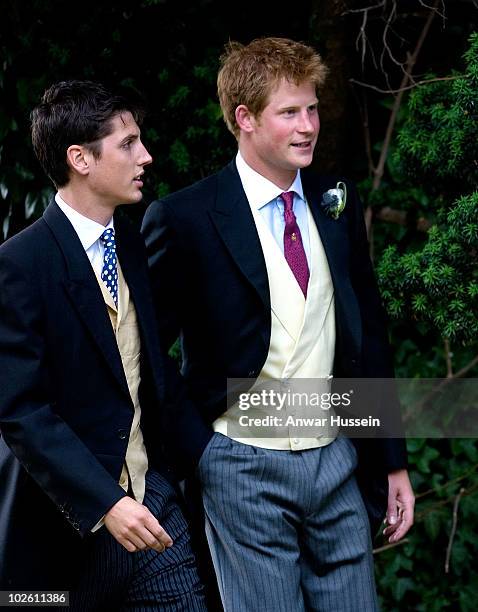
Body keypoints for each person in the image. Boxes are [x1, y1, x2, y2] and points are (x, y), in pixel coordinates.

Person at [141, 37, 415, 611]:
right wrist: (201, 451)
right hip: (241, 462)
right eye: (289, 112)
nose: (308, 125)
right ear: (244, 118)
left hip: (337, 457)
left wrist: (393, 461)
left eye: (312, 108)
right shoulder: (185, 217)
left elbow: (368, 334)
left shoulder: (335, 201)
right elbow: (147, 348)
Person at [0, 80, 207, 611]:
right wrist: (106, 501)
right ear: (80, 159)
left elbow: (149, 368)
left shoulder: (131, 243)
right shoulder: (19, 264)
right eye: (128, 144)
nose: (146, 156)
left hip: (152, 506)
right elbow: (22, 411)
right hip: (57, 534)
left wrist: (216, 458)